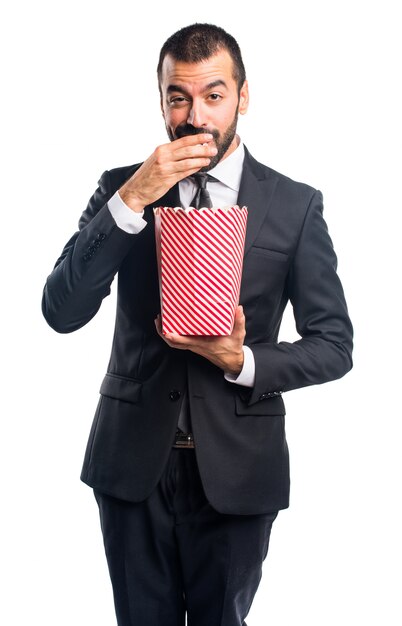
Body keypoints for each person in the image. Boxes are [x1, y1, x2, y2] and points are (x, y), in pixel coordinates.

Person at [42, 23, 353, 626]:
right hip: (133, 466)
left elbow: (335, 346)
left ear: (243, 95)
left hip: (240, 471)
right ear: (161, 99)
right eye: (178, 97)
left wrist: (244, 361)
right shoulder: (120, 188)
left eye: (214, 95)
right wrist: (134, 198)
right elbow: (61, 310)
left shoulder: (294, 205)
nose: (195, 116)